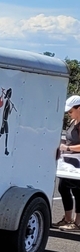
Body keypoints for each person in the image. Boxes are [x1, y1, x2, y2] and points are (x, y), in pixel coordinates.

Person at [53, 95, 80, 230]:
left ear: (79, 108)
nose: (69, 114)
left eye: (70, 111)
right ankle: (68, 218)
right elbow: (69, 138)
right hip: (69, 162)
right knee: (63, 187)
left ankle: (77, 223)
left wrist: (67, 148)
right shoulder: (73, 122)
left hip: (78, 163)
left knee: (78, 191)